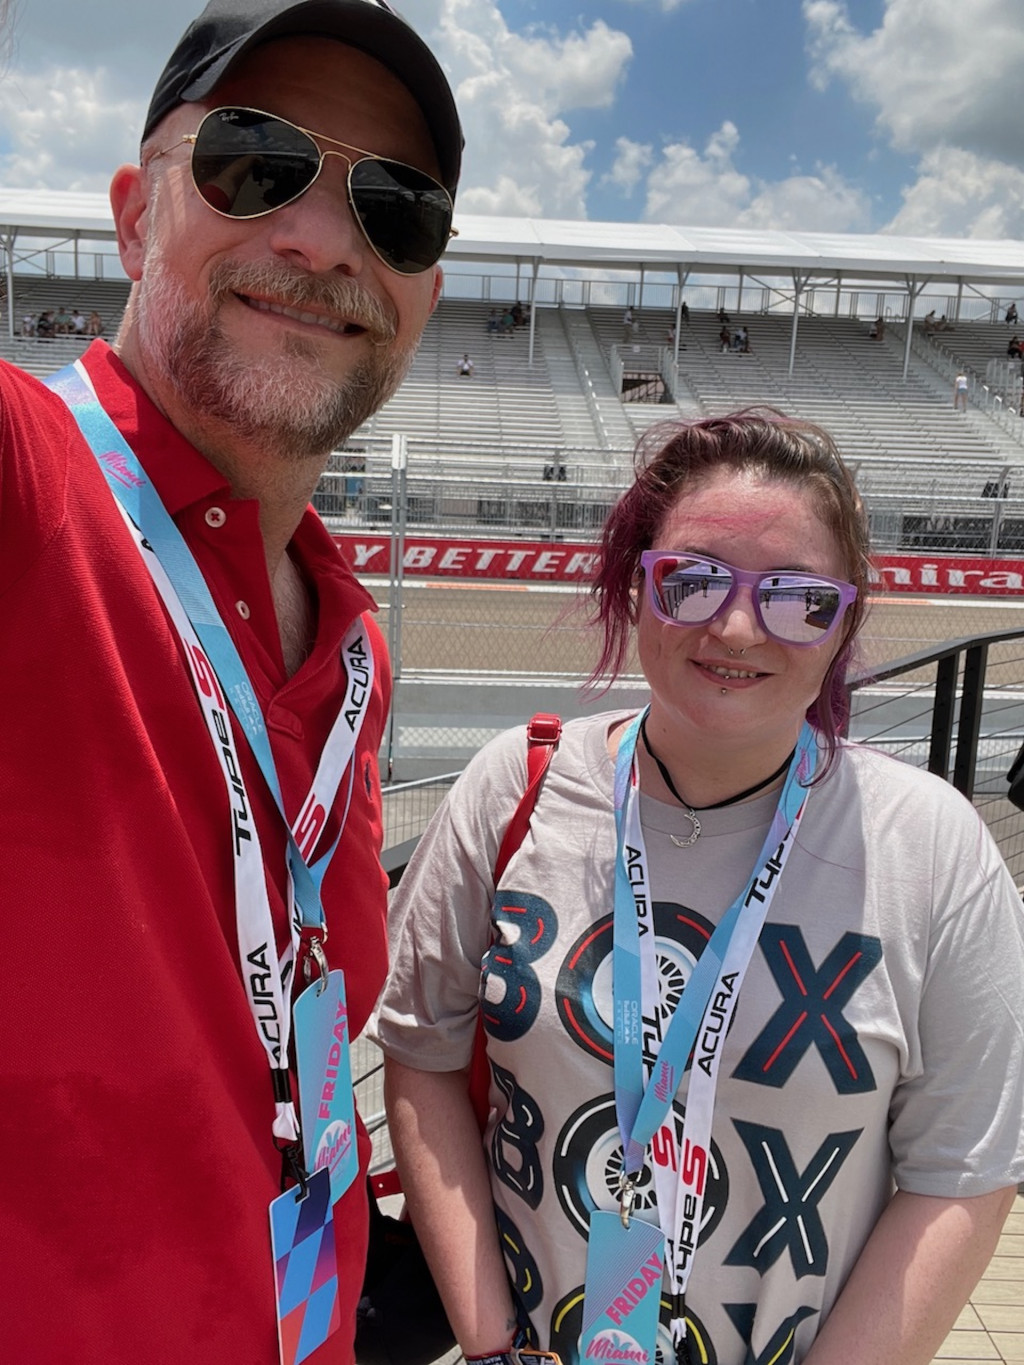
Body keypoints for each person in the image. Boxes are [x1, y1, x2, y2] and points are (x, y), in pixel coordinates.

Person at [0, 2, 461, 1363]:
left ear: (428, 288)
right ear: (135, 215)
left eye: (397, 208)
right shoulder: (34, 479)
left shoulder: (353, 647)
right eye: (253, 164)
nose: (323, 238)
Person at [372, 411, 1023, 1365]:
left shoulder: (931, 849)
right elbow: (423, 1056)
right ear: (635, 589)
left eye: (799, 598)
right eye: (693, 580)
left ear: (843, 622)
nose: (735, 625)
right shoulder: (516, 786)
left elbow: (962, 1170)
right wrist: (491, 1344)